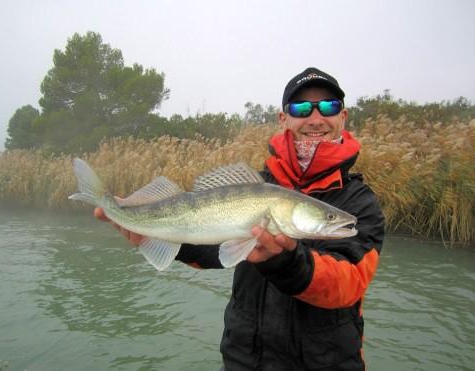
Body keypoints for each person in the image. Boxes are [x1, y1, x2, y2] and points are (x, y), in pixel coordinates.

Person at [95, 67, 385, 371]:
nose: (315, 118)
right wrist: (160, 237)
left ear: (343, 116)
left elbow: (348, 283)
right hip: (243, 363)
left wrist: (286, 262)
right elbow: (216, 248)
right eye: (301, 108)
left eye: (328, 106)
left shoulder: (360, 203)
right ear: (283, 118)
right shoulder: (255, 184)